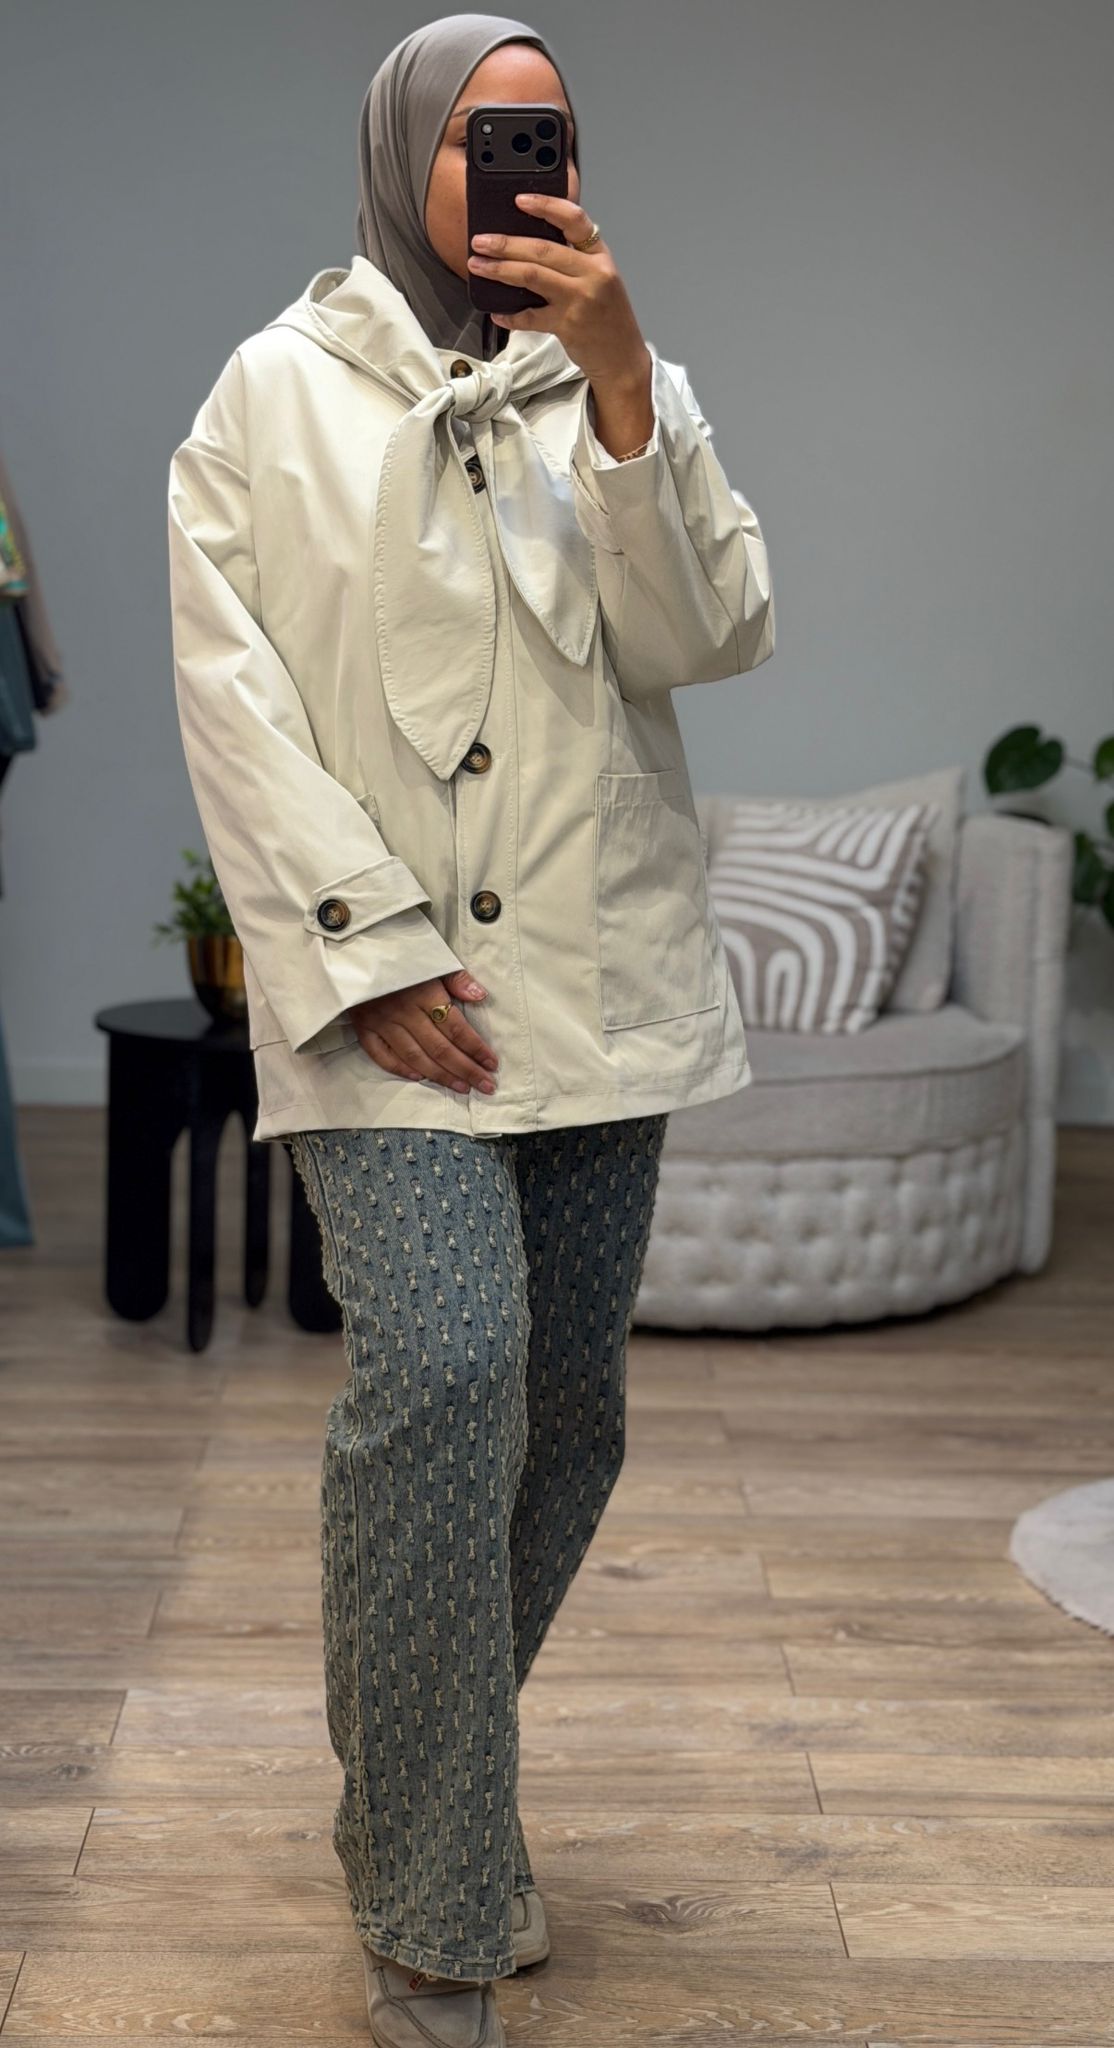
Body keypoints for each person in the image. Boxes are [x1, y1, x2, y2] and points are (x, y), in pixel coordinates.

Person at [167, 14, 774, 2044]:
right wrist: (367, 949)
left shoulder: (629, 379)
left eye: (553, 133)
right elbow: (232, 700)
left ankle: (412, 1791)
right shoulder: (267, 393)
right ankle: (434, 1907)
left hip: (594, 977)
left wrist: (622, 387)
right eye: (484, 134)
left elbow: (705, 634)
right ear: (403, 150)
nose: (525, 163)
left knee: (569, 1414)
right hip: (385, 1006)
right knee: (442, 1376)